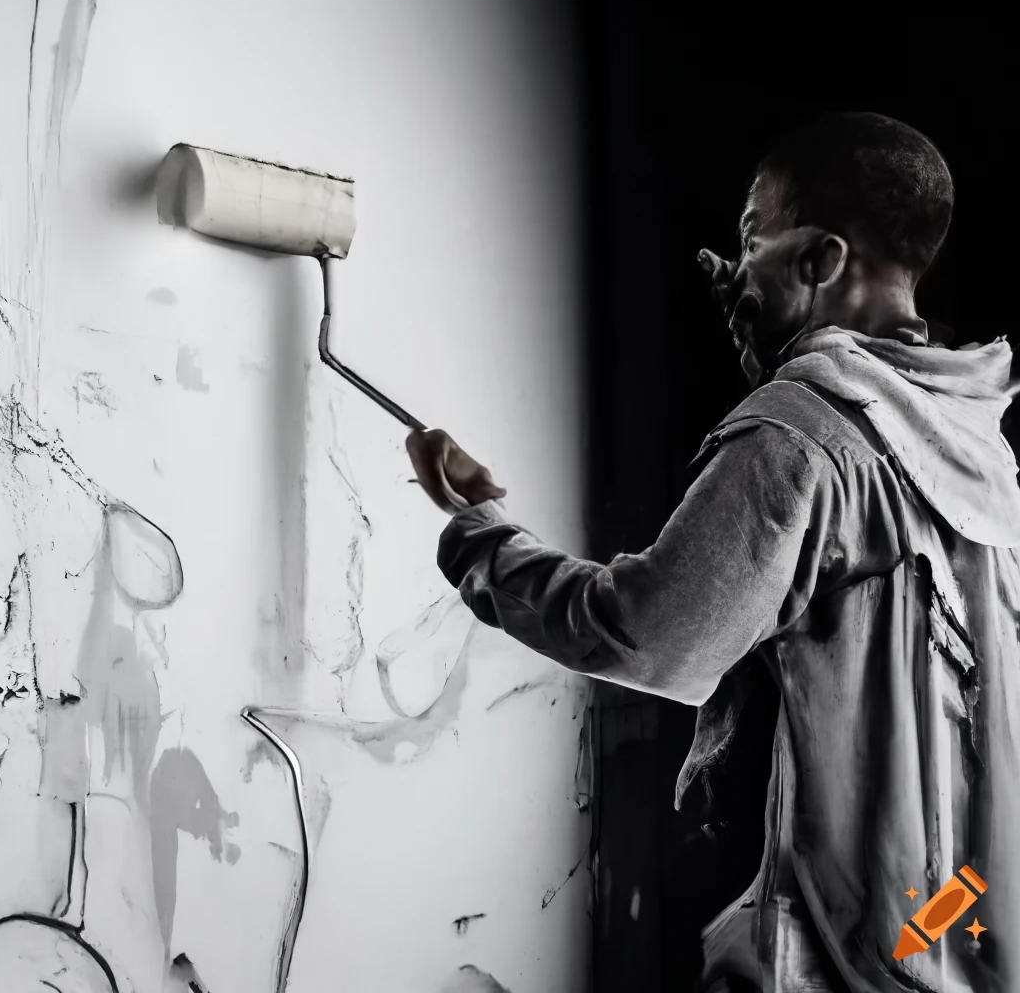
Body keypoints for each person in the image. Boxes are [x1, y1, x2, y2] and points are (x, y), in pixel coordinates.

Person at [406, 112, 1020, 993]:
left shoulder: (802, 435)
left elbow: (650, 635)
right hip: (954, 919)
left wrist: (482, 539)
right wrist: (788, 360)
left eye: (752, 236)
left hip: (832, 957)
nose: (735, 268)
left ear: (822, 261)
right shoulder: (971, 429)